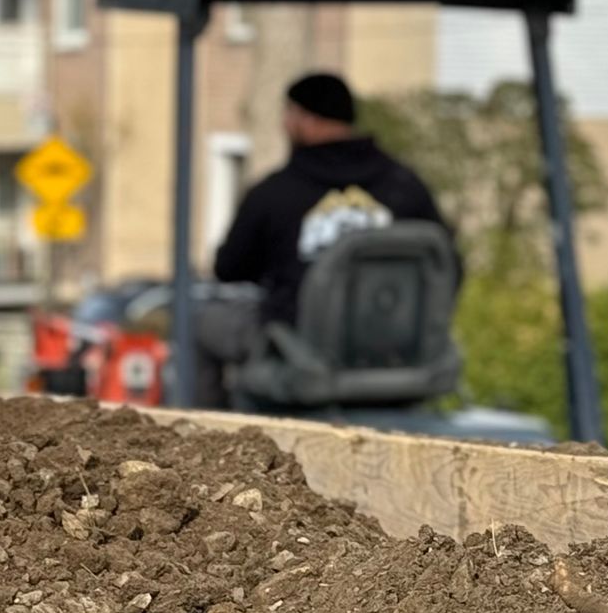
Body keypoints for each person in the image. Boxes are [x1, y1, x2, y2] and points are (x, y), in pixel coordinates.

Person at [196, 71, 457, 403]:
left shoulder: (275, 192)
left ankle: (203, 442)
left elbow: (228, 267)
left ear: (302, 119)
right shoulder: (407, 187)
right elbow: (449, 268)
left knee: (195, 321)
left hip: (297, 353)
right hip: (396, 353)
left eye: (288, 115)